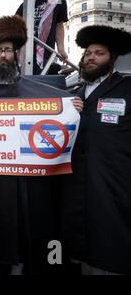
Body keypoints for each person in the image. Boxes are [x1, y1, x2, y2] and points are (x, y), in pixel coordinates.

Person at [0, 15, 83, 275]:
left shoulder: (40, 91)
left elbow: (61, 111)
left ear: (16, 54)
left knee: (28, 238)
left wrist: (72, 108)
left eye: (8, 50)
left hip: (26, 183)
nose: (3, 56)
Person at [61, 25, 131, 275]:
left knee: (111, 249)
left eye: (98, 53)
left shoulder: (127, 89)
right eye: (88, 53)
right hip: (77, 187)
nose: (90, 57)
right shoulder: (72, 95)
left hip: (114, 186)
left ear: (111, 59)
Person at [16, 0, 68, 75]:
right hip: (25, 55)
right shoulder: (25, 4)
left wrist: (61, 49)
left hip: (45, 55)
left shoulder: (59, 0)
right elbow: (17, 30)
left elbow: (59, 26)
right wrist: (18, 53)